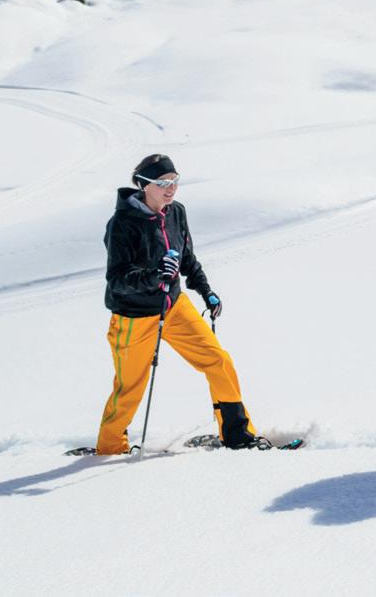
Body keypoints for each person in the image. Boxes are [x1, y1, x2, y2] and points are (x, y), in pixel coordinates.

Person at [95, 154, 264, 453]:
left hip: (173, 306)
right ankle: (109, 447)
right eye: (163, 182)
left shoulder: (176, 213)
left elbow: (187, 259)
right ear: (144, 185)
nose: (171, 188)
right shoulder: (122, 224)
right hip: (133, 317)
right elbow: (118, 280)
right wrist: (154, 275)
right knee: (130, 388)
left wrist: (206, 291)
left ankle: (237, 435)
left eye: (175, 180)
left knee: (218, 361)